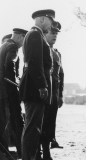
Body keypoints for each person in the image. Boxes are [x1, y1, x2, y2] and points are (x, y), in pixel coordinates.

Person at [19, 9, 55, 160]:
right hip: (35, 89)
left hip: (34, 88)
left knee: (33, 127)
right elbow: (35, 63)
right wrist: (42, 86)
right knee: (32, 128)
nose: (51, 25)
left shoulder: (36, 34)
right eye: (50, 21)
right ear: (42, 19)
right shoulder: (35, 34)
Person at [0, 28, 27, 159]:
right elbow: (10, 67)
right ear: (21, 37)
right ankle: (22, 153)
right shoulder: (13, 47)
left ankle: (4, 152)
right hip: (8, 91)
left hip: (2, 91)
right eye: (24, 40)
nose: (23, 45)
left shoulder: (3, 45)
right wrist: (17, 85)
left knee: (3, 122)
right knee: (18, 122)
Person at [40, 21, 64, 160]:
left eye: (56, 34)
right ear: (45, 33)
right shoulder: (41, 49)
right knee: (41, 121)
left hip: (54, 92)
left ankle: (47, 151)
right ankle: (39, 152)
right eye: (52, 33)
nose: (55, 35)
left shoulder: (57, 53)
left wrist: (60, 94)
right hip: (43, 91)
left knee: (50, 122)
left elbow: (61, 74)